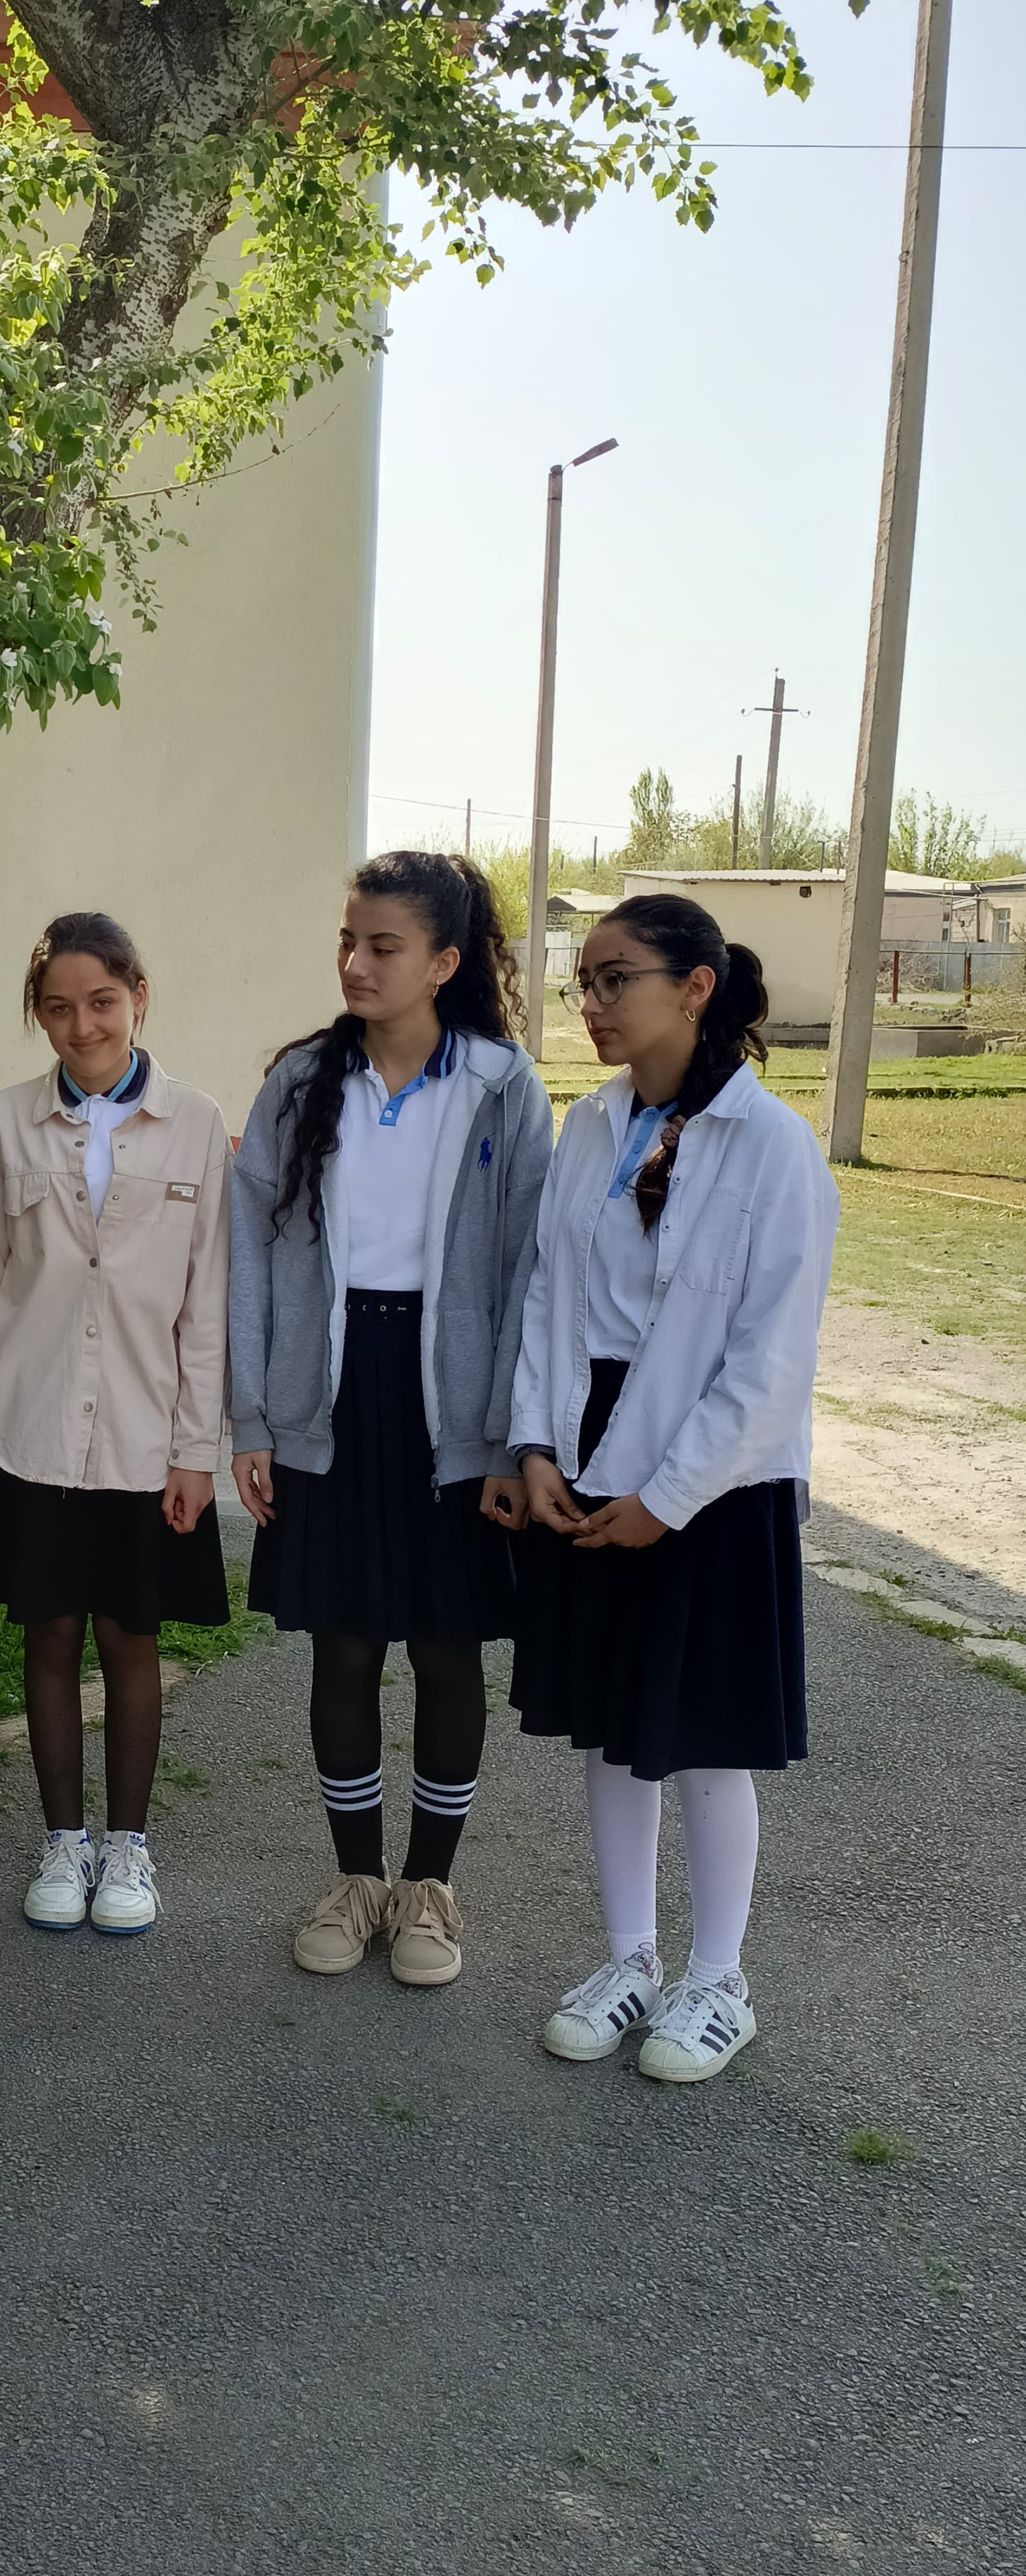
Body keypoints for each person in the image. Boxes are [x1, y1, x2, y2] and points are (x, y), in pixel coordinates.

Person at [513, 893, 837, 2084]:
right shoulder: (592, 1128)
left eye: (617, 980)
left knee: (702, 1739)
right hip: (588, 1447)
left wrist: (670, 1495)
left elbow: (770, 1358)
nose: (593, 1005)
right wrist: (533, 1445)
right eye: (584, 984)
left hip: (715, 1476)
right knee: (613, 1727)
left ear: (696, 988)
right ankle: (630, 1959)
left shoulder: (774, 1147)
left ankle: (717, 1980)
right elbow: (548, 1296)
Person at [229, 851, 551, 1991]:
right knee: (346, 1642)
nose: (356, 964)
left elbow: (528, 1273)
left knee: (447, 1645)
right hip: (329, 1395)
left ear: (445, 962)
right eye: (348, 941)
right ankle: (357, 1881)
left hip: (449, 1405)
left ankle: (429, 1891)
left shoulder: (502, 1087)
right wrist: (253, 1417)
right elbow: (253, 1252)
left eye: (383, 946)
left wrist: (510, 1437)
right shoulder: (301, 1081)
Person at [0, 911, 229, 1939]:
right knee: (52, 1634)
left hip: (148, 1439)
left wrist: (198, 1451)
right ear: (40, 1016)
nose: (83, 1026)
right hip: (31, 1430)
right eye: (58, 1008)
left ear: (137, 997)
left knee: (130, 1638)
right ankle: (65, 1843)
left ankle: (129, 1849)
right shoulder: (4, 1124)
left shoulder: (196, 1124)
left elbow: (207, 1303)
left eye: (102, 1002)